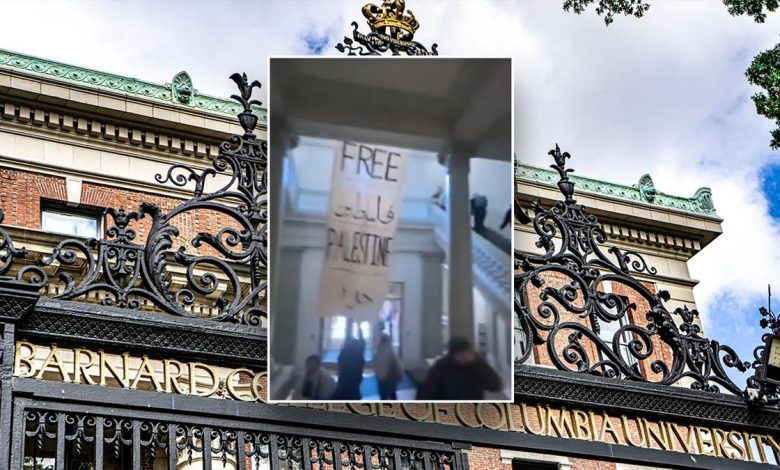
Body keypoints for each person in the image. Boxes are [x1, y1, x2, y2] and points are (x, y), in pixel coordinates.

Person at [416, 337, 503, 401]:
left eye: (466, 355)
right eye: (460, 356)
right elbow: (428, 392)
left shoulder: (477, 365)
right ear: (452, 355)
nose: (464, 358)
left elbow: (496, 386)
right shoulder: (441, 367)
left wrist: (480, 364)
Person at [373, 334, 403, 400]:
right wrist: (400, 375)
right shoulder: (391, 351)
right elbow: (398, 365)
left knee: (383, 398)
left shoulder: (377, 352)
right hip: (390, 378)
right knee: (393, 396)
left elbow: (375, 366)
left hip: (381, 380)